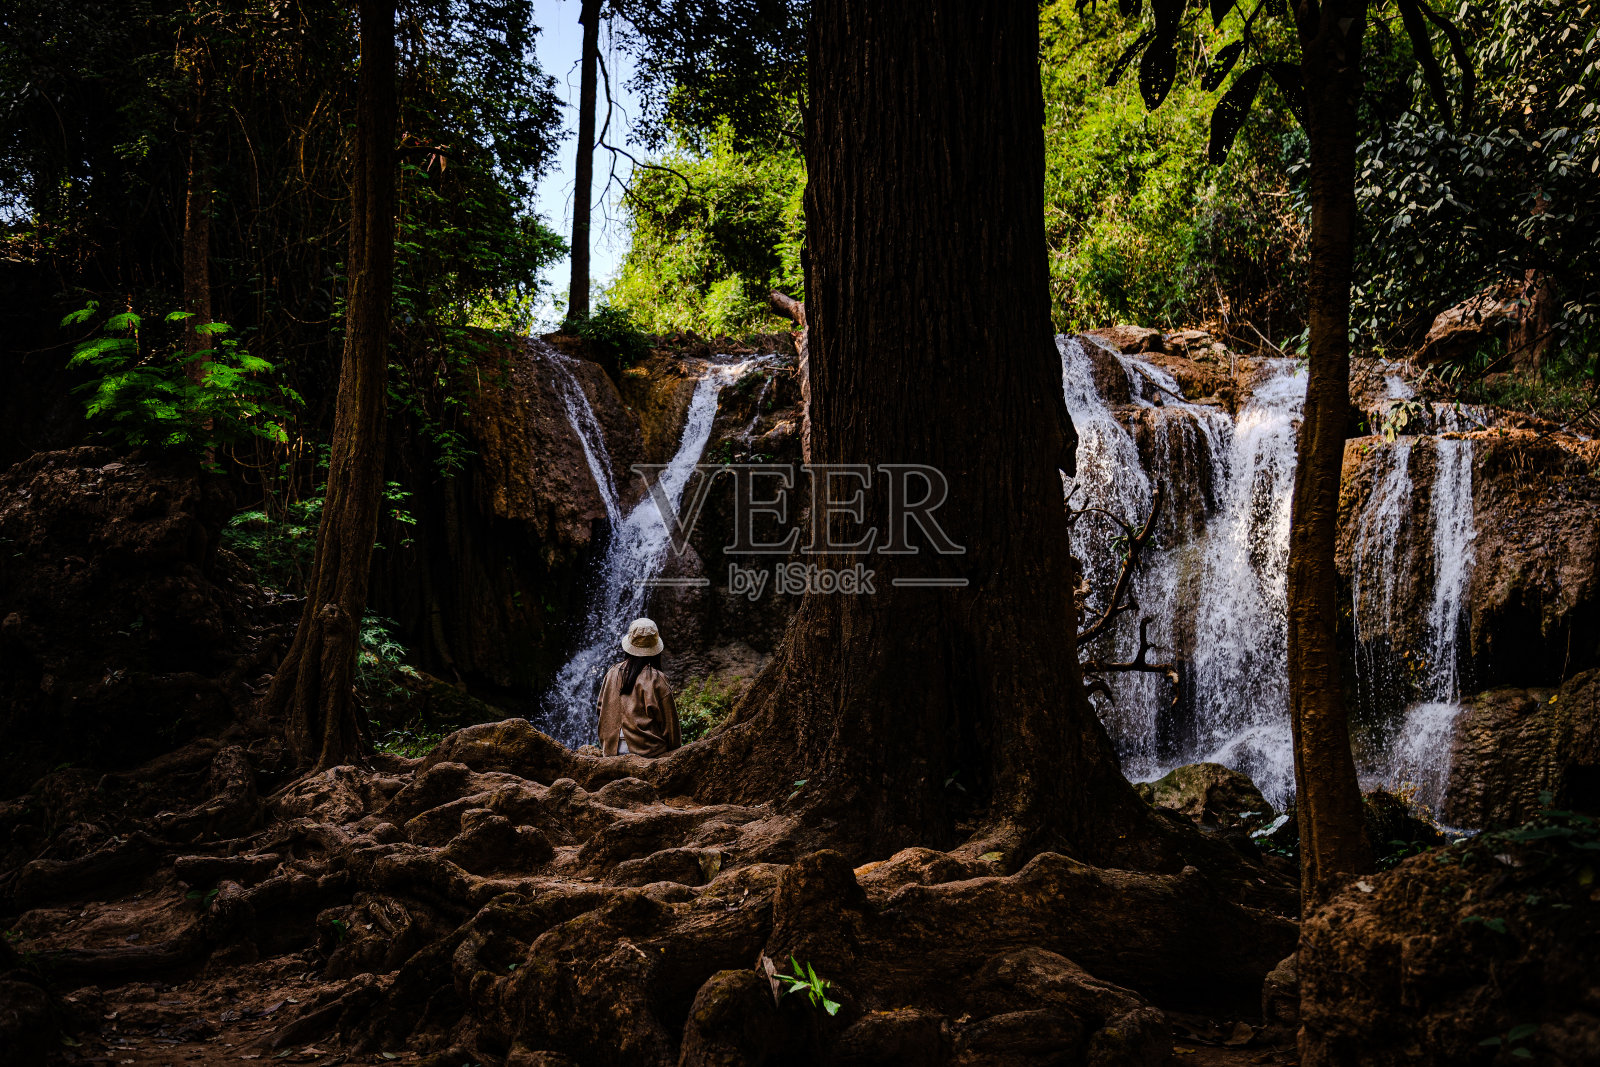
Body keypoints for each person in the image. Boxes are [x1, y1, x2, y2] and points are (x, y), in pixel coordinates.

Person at [595, 618, 681, 757]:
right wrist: (675, 752)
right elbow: (670, 726)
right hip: (647, 752)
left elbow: (600, 708)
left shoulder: (612, 672)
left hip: (611, 751)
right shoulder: (656, 679)